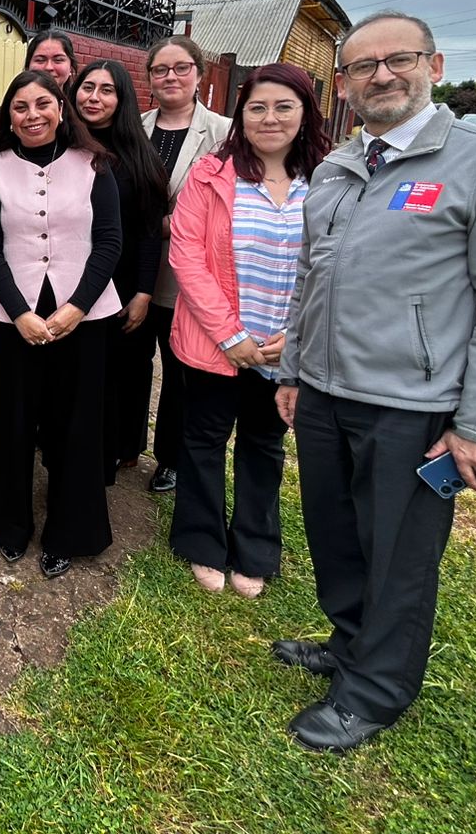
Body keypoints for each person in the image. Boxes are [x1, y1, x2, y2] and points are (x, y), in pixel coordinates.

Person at [274, 11, 476, 752]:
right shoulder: (338, 166)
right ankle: (349, 643)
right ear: (344, 85)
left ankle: (375, 691)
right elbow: (313, 279)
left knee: (398, 551)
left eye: (399, 60)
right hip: (329, 395)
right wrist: (296, 370)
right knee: (335, 533)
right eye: (364, 67)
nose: (382, 76)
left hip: (415, 408)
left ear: (434, 65)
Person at [167, 63, 329, 598]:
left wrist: (296, 335)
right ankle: (201, 541)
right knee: (205, 440)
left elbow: (335, 265)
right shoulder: (212, 173)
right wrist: (230, 335)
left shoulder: (328, 180)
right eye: (257, 107)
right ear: (242, 115)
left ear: (305, 114)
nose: (270, 118)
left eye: (284, 106)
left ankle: (256, 549)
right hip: (217, 342)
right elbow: (186, 254)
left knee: (265, 444)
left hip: (285, 346)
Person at [0, 71, 122, 578]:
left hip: (82, 316)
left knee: (75, 425)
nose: (32, 114)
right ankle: (9, 522)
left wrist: (76, 307)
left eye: (42, 104)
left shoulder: (94, 164)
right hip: (13, 315)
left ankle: (70, 530)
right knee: (13, 421)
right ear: (8, 117)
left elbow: (109, 242)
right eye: (20, 107)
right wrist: (19, 312)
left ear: (62, 108)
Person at [140, 35, 231, 493]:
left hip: (186, 278)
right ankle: (124, 441)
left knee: (180, 373)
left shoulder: (224, 133)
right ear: (150, 78)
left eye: (180, 68)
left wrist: (175, 221)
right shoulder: (136, 126)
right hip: (134, 270)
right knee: (132, 364)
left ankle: (170, 458)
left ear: (198, 73)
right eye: (161, 70)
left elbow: (231, 202)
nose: (170, 77)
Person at [72, 59, 168, 483]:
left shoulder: (138, 156)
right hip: (70, 283)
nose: (94, 97)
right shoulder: (63, 145)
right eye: (87, 87)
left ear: (122, 99)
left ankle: (120, 448)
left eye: (106, 90)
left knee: (121, 373)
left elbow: (150, 231)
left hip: (123, 284)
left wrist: (144, 292)